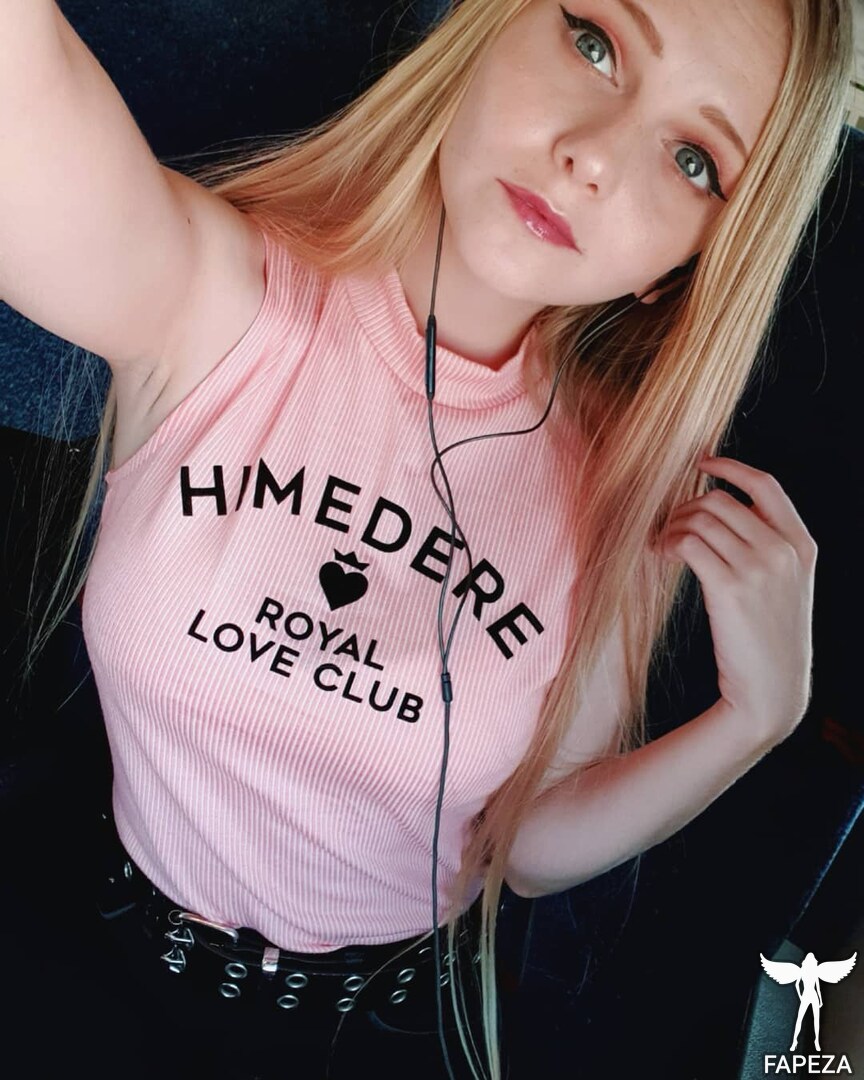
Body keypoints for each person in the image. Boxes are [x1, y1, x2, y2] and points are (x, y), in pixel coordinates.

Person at [0, 0, 855, 1077]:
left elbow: (528, 849)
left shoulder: (625, 500)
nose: (594, 159)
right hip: (96, 947)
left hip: (380, 1028)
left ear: (682, 264)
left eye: (694, 161)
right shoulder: (211, 298)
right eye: (594, 42)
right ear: (482, 29)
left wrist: (755, 719)